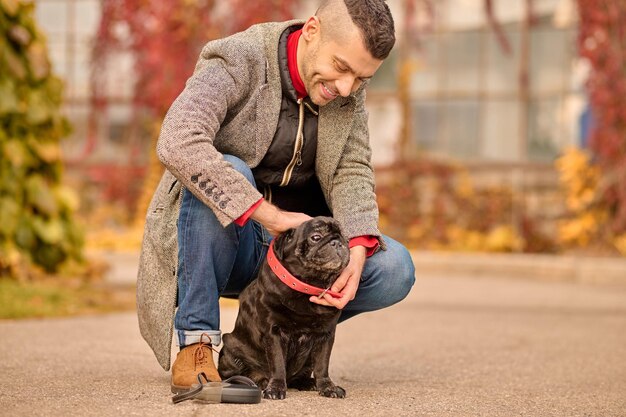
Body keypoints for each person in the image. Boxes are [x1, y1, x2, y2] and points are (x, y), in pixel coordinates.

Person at [136, 0, 416, 393]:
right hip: (228, 245)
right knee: (227, 168)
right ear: (313, 30)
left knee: (395, 268)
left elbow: (352, 170)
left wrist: (356, 245)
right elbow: (178, 140)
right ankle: (196, 344)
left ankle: (284, 340)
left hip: (301, 264)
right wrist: (268, 215)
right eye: (341, 67)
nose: (346, 88)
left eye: (361, 77)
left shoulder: (349, 90)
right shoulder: (238, 57)